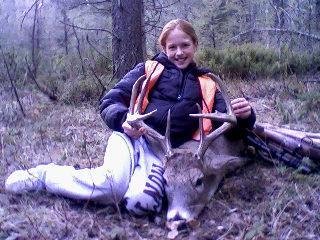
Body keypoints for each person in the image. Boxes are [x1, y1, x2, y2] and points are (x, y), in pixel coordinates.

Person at [5, 19, 255, 216]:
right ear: (164, 48)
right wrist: (124, 120)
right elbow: (109, 102)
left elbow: (227, 125)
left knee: (142, 204)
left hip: (163, 154)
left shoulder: (207, 83)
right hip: (131, 139)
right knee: (110, 185)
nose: (179, 52)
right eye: (172, 47)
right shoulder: (147, 70)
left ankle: (134, 180)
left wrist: (244, 117)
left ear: (195, 45)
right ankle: (42, 176)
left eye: (185, 45)